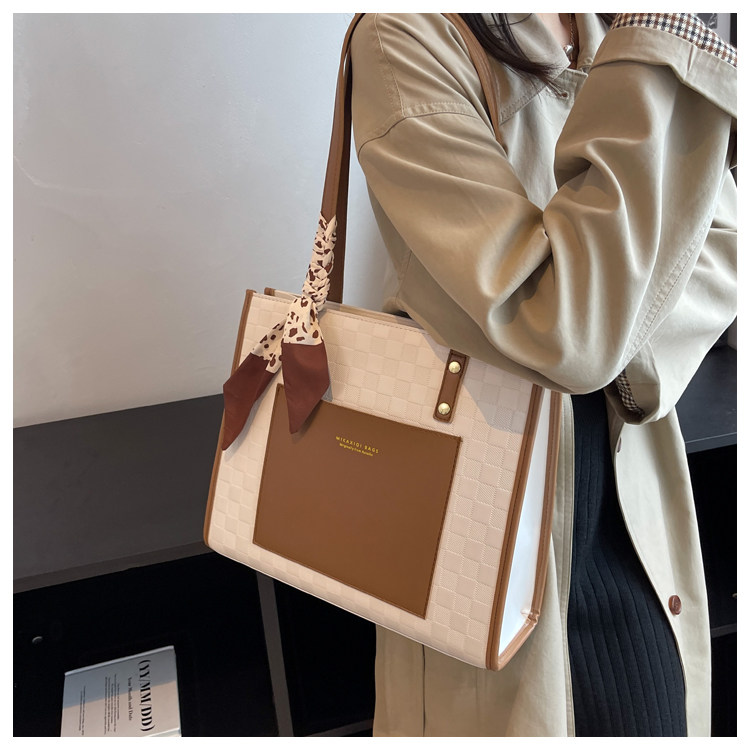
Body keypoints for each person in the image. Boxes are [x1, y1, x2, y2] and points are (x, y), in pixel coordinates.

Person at [348, 13, 736, 737]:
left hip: (629, 493)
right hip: (491, 522)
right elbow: (565, 328)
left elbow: (723, 243)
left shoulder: (608, 24)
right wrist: (655, 47)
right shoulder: (405, 39)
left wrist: (617, 346)